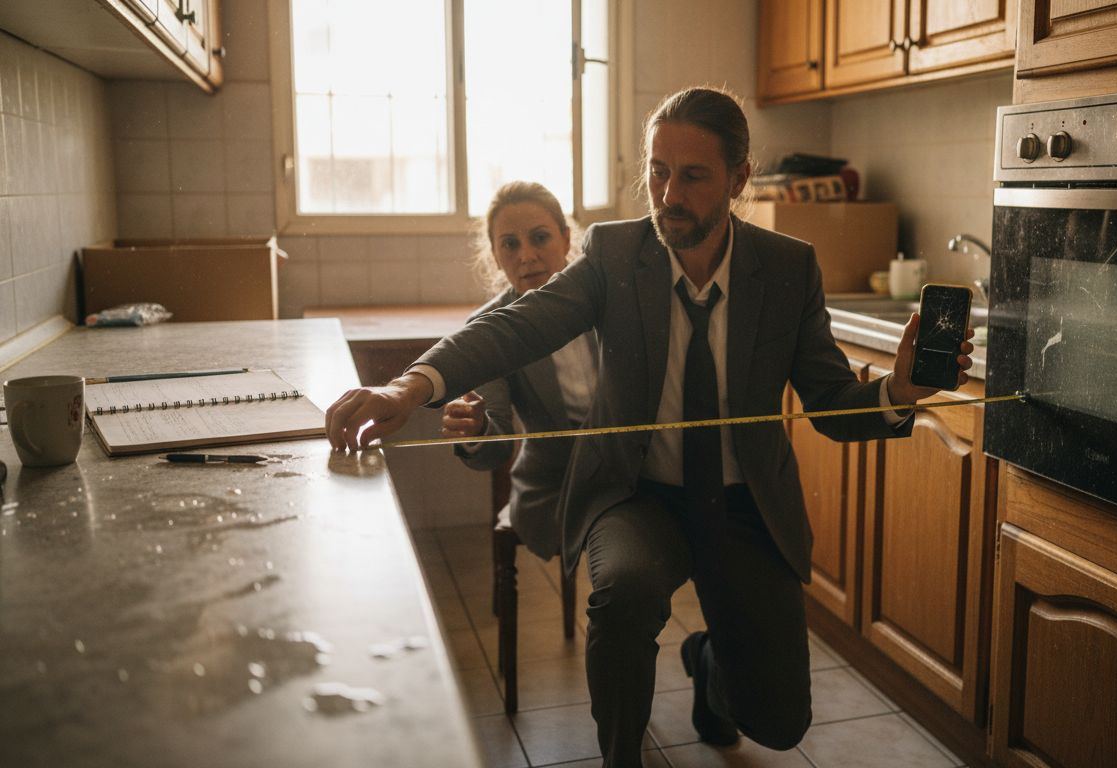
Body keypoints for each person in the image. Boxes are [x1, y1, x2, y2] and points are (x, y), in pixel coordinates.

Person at [326, 86, 973, 768]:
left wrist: (900, 391)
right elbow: (513, 327)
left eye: (692, 176)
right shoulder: (614, 254)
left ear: (738, 180)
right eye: (657, 171)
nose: (668, 195)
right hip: (636, 496)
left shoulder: (788, 268)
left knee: (780, 722)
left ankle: (708, 664)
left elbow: (832, 401)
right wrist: (408, 386)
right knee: (623, 595)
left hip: (745, 503)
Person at [442, 181, 596, 563]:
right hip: (553, 488)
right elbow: (493, 451)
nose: (526, 255)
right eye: (510, 244)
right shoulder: (488, 327)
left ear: (566, 239)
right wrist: (476, 429)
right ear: (495, 256)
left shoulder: (606, 297)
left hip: (631, 475)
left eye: (540, 238)